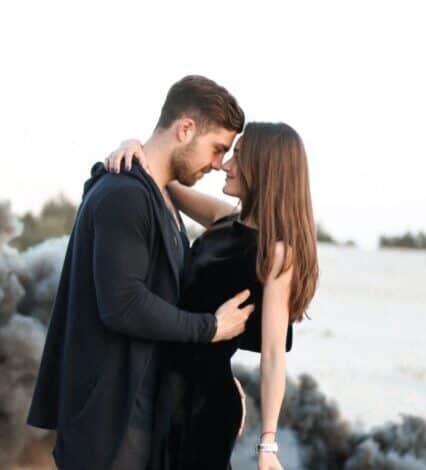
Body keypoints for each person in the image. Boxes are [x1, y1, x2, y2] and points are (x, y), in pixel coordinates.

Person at [25, 75, 256, 470]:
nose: (219, 165)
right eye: (217, 149)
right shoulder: (125, 195)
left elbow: (169, 291)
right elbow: (123, 304)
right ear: (185, 129)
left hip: (141, 416)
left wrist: (212, 376)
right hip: (112, 428)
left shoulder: (157, 195)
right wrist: (211, 328)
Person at [105, 121, 319, 470]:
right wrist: (132, 145)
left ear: (264, 169)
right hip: (164, 391)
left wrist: (268, 445)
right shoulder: (223, 219)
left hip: (203, 405)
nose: (226, 165)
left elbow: (274, 354)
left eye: (239, 157)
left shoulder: (278, 252)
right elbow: (164, 179)